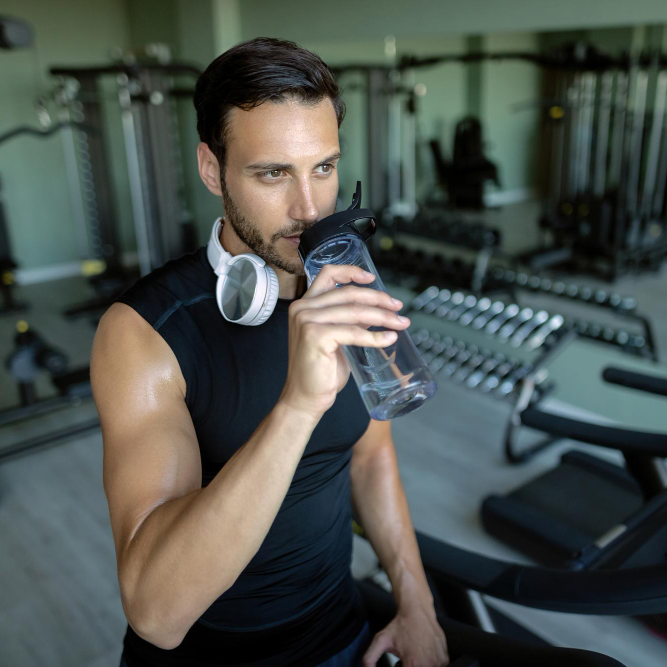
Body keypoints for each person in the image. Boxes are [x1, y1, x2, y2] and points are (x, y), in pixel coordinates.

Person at [90, 37, 449, 667]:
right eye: (272, 172)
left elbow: (368, 458)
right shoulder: (144, 333)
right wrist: (298, 406)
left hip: (343, 633)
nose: (309, 211)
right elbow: (155, 612)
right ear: (212, 170)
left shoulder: (340, 282)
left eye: (323, 168)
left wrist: (415, 600)